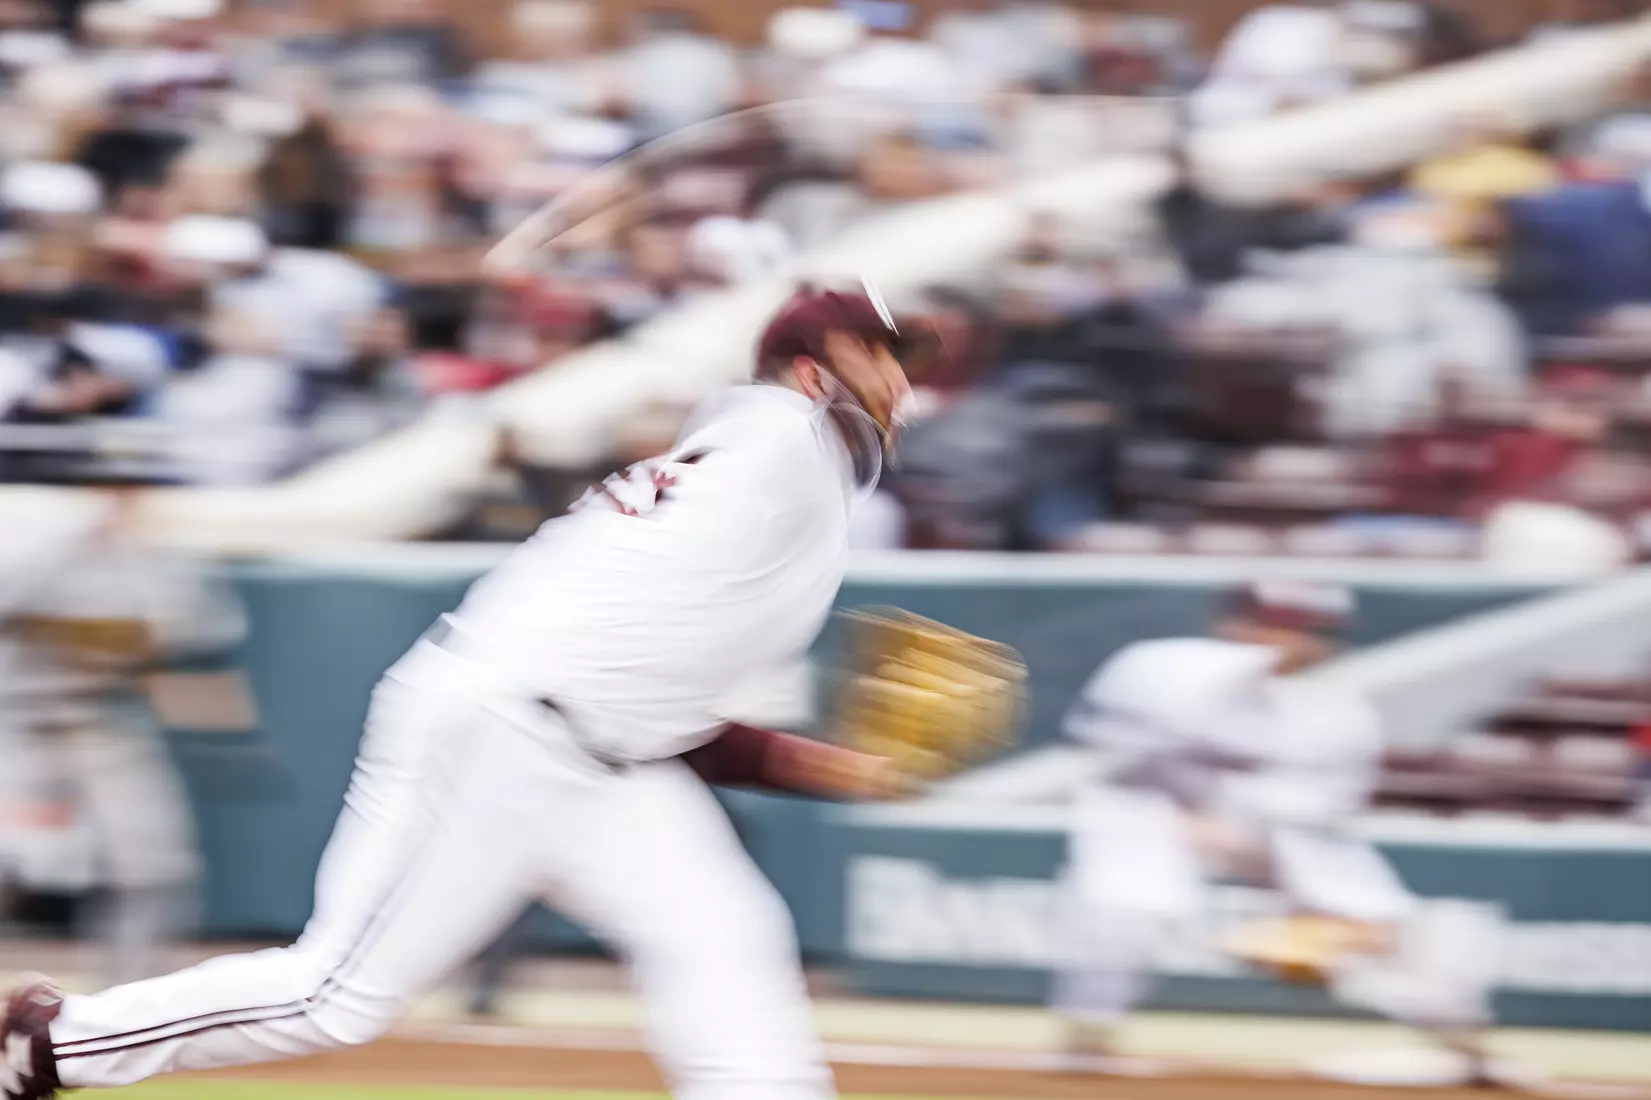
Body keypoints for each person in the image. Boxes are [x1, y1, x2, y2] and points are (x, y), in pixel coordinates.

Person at [1, 280, 925, 1100]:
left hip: (607, 755)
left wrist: (831, 767)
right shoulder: (784, 442)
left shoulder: (776, 483)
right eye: (875, 354)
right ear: (812, 373)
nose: (899, 381)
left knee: (724, 939)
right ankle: (47, 1042)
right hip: (501, 727)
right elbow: (775, 407)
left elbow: (680, 717)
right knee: (336, 996)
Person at [1053, 580, 1500, 1079]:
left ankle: (1471, 1051)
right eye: (1280, 626)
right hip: (1148, 804)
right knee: (1131, 904)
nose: (1297, 641)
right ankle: (1086, 1042)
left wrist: (1339, 927)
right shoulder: (1160, 669)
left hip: (1269, 823)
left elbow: (1314, 824)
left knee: (1389, 923)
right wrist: (1193, 823)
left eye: (1314, 630)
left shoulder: (1339, 715)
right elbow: (1111, 761)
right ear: (1232, 624)